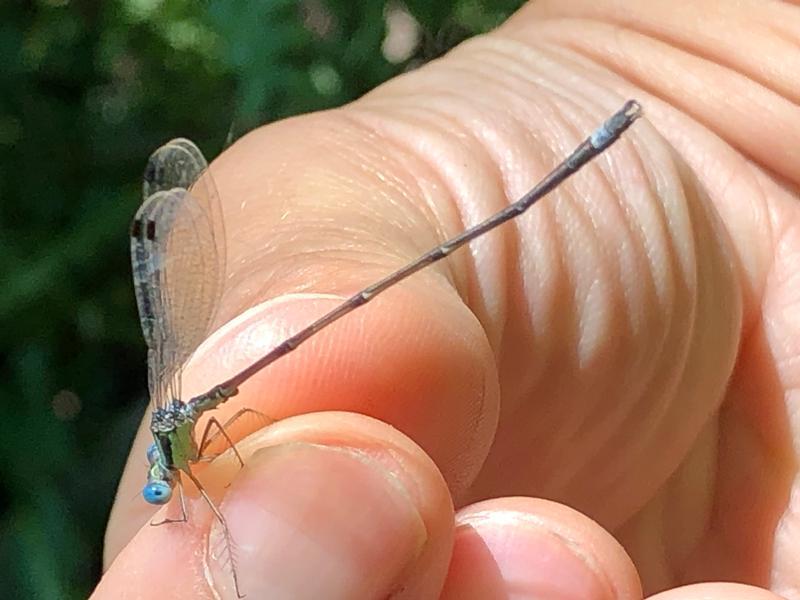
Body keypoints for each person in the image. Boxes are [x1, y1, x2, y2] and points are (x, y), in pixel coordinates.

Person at [94, 1, 800, 598]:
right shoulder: (188, 441)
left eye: (165, 493)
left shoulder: (183, 446)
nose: (168, 497)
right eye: (167, 494)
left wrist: (708, 92)